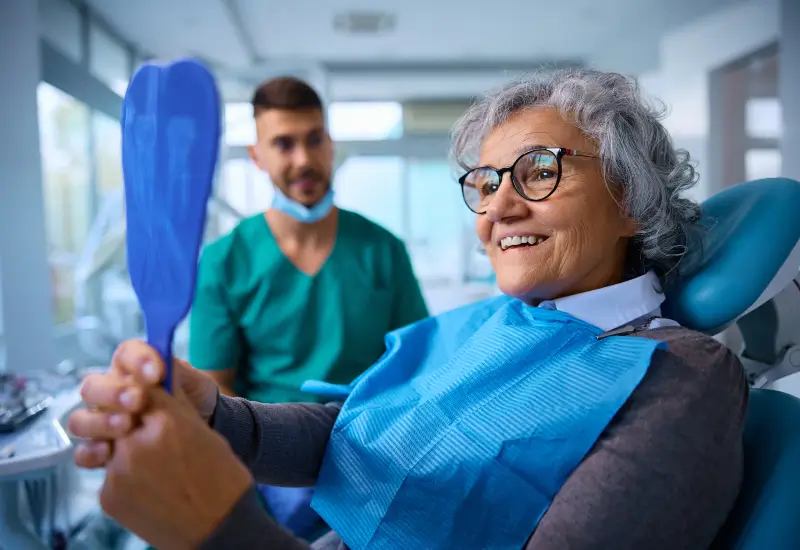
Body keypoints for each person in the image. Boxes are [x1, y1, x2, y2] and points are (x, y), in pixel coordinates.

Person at [70, 69, 748, 550]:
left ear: (629, 197)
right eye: (484, 183)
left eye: (539, 171)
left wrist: (221, 530)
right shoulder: (495, 321)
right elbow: (361, 427)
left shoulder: (684, 379)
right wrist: (216, 414)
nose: (498, 207)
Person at [188, 76, 429, 537]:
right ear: (257, 156)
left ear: (330, 144)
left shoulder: (382, 250)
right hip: (265, 458)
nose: (303, 159)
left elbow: (416, 370)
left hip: (369, 452)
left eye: (314, 139)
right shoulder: (224, 262)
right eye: (283, 144)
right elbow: (214, 398)